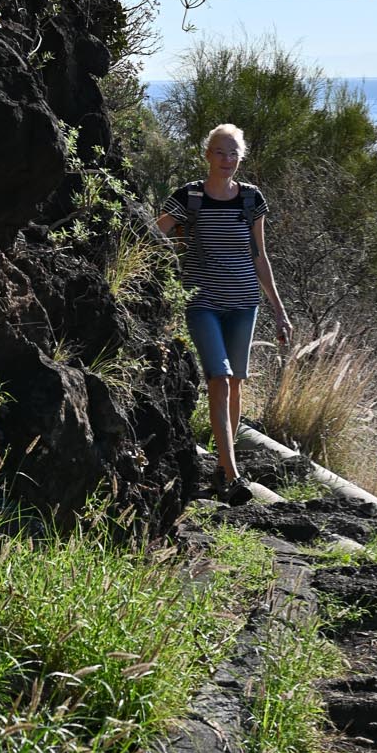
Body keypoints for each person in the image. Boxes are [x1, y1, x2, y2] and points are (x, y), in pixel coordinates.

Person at [155, 123, 293, 489]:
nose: (226, 159)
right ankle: (232, 473)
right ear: (206, 155)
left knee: (233, 384)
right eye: (219, 152)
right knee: (218, 377)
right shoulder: (189, 197)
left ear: (240, 158)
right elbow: (153, 233)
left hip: (244, 302)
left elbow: (260, 256)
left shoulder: (251, 199)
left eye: (233, 153)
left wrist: (279, 310)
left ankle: (221, 466)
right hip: (202, 302)